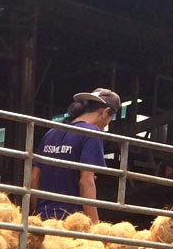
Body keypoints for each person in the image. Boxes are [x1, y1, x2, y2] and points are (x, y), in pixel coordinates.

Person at [30, 88, 120, 225]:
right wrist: (95, 227)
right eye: (110, 119)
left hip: (44, 219)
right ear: (106, 112)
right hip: (72, 222)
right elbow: (86, 181)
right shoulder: (92, 133)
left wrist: (39, 213)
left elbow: (34, 177)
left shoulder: (52, 132)